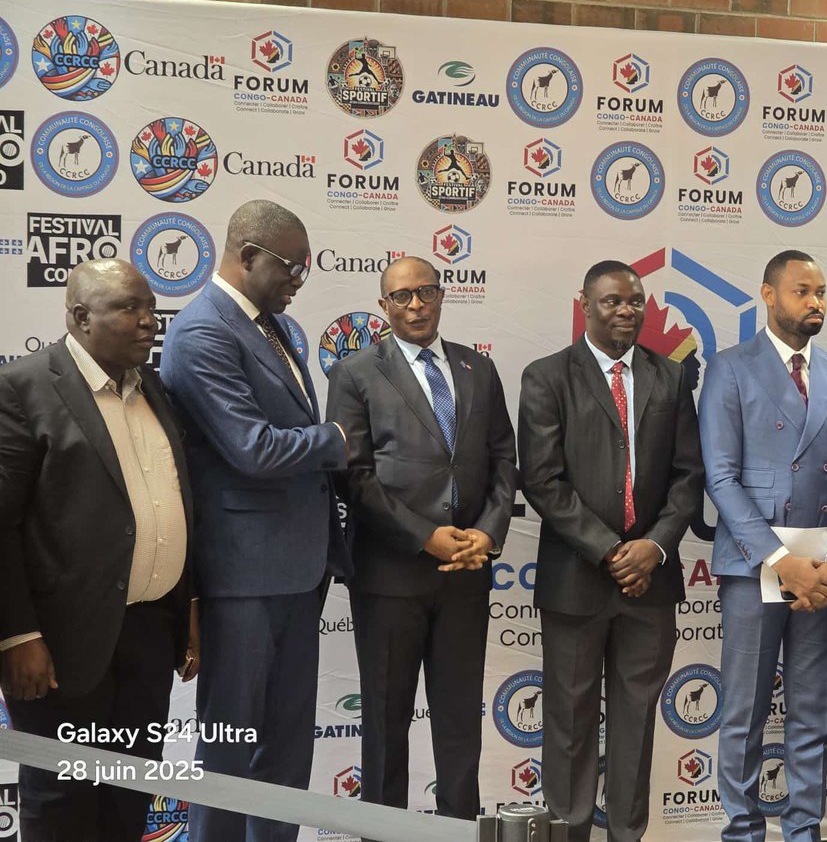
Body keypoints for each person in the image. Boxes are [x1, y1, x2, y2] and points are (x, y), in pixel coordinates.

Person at [160, 201, 349, 842]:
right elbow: (252, 448)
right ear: (246, 256)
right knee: (230, 756)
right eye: (291, 266)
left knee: (288, 754)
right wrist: (338, 440)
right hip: (241, 577)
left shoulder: (277, 328)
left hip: (297, 571)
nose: (300, 278)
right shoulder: (202, 331)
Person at [0, 260, 198, 842]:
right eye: (129, 309)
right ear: (81, 317)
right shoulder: (26, 387)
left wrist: (186, 606)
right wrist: (16, 634)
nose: (148, 323)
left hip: (147, 635)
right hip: (59, 646)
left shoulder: (153, 386)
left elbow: (173, 504)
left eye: (151, 309)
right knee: (61, 800)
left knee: (129, 792)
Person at [518, 260, 704, 842]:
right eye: (612, 302)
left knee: (636, 723)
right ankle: (568, 832)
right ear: (585, 305)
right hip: (576, 581)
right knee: (568, 723)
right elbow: (543, 481)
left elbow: (688, 475)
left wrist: (651, 547)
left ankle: (628, 833)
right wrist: (610, 551)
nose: (626, 311)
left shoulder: (670, 379)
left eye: (636, 302)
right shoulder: (547, 376)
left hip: (649, 585)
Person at [326, 256, 517, 819]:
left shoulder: (477, 369)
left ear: (441, 296)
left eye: (426, 292)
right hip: (391, 575)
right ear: (383, 305)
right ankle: (380, 833)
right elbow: (351, 475)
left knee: (459, 719)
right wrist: (424, 536)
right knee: (385, 721)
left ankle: (461, 829)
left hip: (467, 575)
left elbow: (504, 461)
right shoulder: (356, 372)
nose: (416, 305)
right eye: (402, 296)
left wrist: (487, 534)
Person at [698, 250, 827, 842]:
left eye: (822, 292)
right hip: (757, 565)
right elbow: (720, 478)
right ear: (768, 295)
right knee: (742, 713)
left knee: (812, 710)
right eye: (802, 291)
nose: (815, 302)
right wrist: (780, 561)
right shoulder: (729, 367)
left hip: (824, 569)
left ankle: (803, 831)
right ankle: (742, 832)